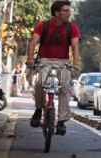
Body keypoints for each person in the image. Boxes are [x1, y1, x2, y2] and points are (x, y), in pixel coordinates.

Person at [26, 0, 81, 136]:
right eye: (65, 10)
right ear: (57, 13)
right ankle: (39, 109)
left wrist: (76, 64)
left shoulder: (71, 27)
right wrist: (30, 59)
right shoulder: (43, 25)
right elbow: (33, 42)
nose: (69, 13)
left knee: (64, 88)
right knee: (39, 84)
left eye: (69, 10)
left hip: (63, 63)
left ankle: (61, 121)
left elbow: (75, 47)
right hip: (45, 61)